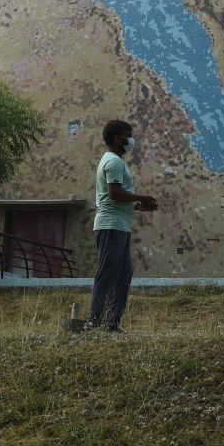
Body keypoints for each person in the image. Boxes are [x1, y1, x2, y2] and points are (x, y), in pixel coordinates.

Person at [86, 120, 159, 332]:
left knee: (123, 275)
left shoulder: (115, 161)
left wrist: (137, 206)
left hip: (120, 225)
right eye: (129, 135)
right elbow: (114, 194)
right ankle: (94, 323)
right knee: (107, 274)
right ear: (118, 138)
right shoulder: (114, 162)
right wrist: (141, 197)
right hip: (111, 226)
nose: (131, 139)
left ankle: (110, 324)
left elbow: (116, 197)